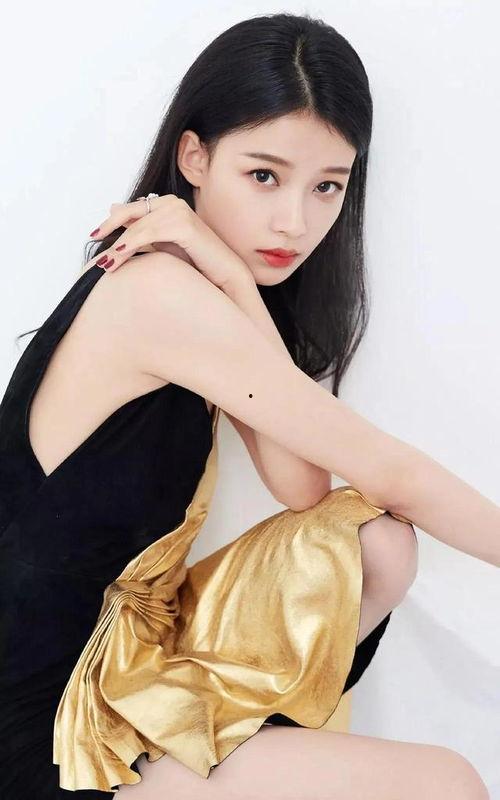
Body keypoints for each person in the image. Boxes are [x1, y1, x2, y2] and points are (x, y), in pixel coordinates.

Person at [1, 11, 494, 800]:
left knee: (374, 543)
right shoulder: (157, 293)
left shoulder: (201, 287)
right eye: (264, 176)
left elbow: (304, 489)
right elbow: (390, 470)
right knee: (448, 783)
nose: (295, 221)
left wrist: (235, 279)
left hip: (125, 674)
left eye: (326, 187)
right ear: (194, 156)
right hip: (46, 728)